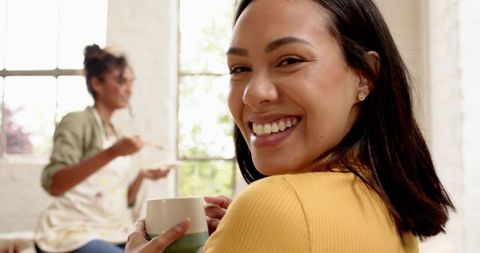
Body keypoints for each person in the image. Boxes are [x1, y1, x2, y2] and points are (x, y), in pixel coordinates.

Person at [125, 0, 455, 252]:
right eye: (239, 68)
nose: (253, 93)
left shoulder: (274, 204)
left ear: (364, 76)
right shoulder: (390, 202)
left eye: (289, 61)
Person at [34, 44, 176, 253]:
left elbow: (114, 200)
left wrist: (142, 176)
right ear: (97, 83)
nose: (129, 89)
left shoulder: (116, 133)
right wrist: (113, 152)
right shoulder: (77, 122)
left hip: (112, 231)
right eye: (120, 81)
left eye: (130, 82)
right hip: (71, 232)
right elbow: (55, 184)